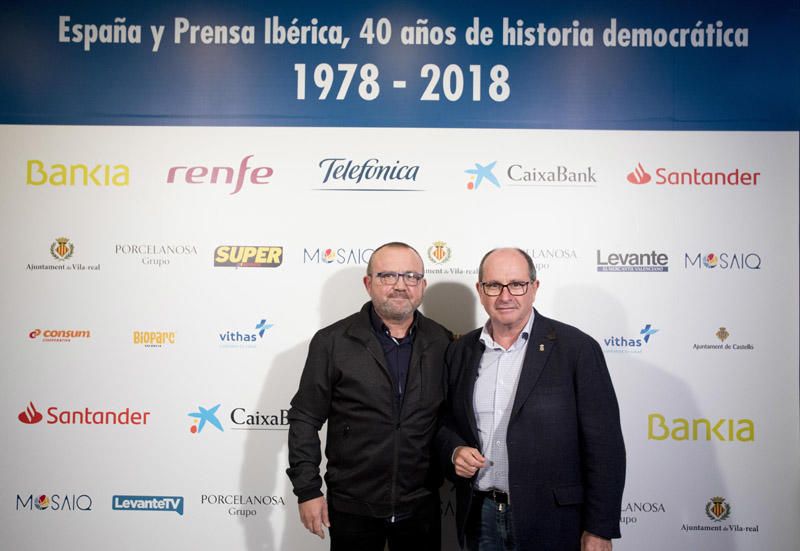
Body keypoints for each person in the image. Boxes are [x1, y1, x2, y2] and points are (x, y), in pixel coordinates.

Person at [436, 248, 625, 551]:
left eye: (517, 284)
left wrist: (599, 528)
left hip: (555, 520)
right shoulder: (461, 351)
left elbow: (605, 446)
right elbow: (445, 422)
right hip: (480, 514)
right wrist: (454, 449)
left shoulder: (576, 349)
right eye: (494, 285)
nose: (505, 295)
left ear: (534, 288)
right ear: (480, 291)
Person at [286, 242, 452, 550]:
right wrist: (308, 490)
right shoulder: (332, 342)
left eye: (411, 277)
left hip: (421, 505)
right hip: (352, 506)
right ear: (368, 284)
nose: (401, 286)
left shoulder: (442, 341)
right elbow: (305, 418)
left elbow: (447, 418)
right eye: (388, 276)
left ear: (422, 285)